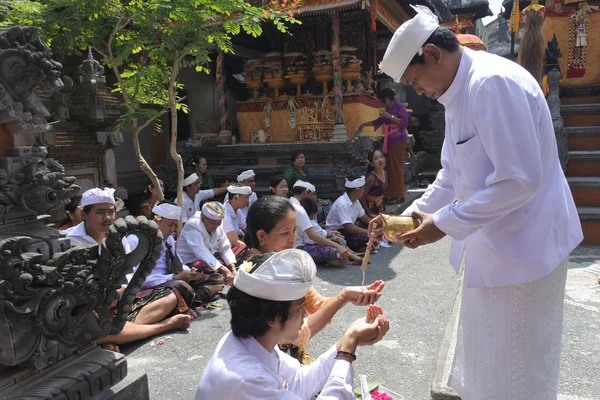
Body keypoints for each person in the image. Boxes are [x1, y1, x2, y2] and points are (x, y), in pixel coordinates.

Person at [372, 5, 583, 400]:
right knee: (488, 363)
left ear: (433, 54)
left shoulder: (491, 84)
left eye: (415, 80)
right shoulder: (457, 92)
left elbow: (520, 180)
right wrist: (409, 217)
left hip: (526, 250)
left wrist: (443, 223)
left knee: (520, 369)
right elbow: (452, 174)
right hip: (495, 249)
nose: (418, 91)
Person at [195, 249, 390, 399]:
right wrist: (347, 349)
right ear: (273, 319)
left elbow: (299, 382)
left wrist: (348, 339)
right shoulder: (248, 377)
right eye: (299, 308)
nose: (305, 313)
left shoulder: (251, 341)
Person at [245, 196, 384, 363]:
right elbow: (290, 336)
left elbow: (317, 304)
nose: (292, 239)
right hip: (260, 361)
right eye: (285, 233)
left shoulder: (285, 262)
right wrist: (343, 299)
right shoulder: (256, 275)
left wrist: (349, 296)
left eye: (294, 230)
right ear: (262, 236)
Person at [68, 188, 192, 350]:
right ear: (84, 215)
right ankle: (164, 325)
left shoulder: (121, 240)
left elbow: (129, 277)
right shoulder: (68, 241)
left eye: (111, 212)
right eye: (100, 212)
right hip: (87, 307)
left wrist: (119, 292)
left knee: (171, 295)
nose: (107, 218)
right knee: (84, 322)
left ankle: (115, 335)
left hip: (117, 302)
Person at [128, 201, 219, 324]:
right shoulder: (136, 241)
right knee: (178, 286)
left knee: (214, 278)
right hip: (150, 290)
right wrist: (173, 277)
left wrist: (189, 272)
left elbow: (178, 263)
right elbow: (135, 280)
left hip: (172, 283)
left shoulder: (168, 239)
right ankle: (183, 303)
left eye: (175, 225)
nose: (173, 230)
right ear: (157, 220)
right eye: (170, 225)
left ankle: (182, 303)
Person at [358, 88, 409, 204]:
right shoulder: (388, 109)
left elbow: (404, 123)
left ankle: (399, 194)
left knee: (396, 167)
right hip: (389, 140)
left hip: (398, 140)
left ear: (386, 99)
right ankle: (391, 194)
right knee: (389, 168)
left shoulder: (399, 107)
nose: (381, 104)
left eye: (382, 101)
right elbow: (379, 121)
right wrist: (364, 124)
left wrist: (389, 116)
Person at [178, 201, 239, 286]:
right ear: (203, 218)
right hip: (189, 262)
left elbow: (225, 248)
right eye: (213, 223)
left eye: (219, 222)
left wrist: (233, 269)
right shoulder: (193, 225)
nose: (216, 225)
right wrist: (225, 270)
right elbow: (201, 252)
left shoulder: (218, 225)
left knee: (236, 261)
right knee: (205, 268)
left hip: (210, 259)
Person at [290, 181, 349, 267]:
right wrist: (337, 246)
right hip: (297, 247)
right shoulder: (299, 209)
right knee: (333, 252)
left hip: (294, 245)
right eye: (312, 195)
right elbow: (312, 235)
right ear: (306, 192)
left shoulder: (288, 203)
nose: (313, 198)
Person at [299, 197, 363, 265]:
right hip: (307, 246)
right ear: (313, 215)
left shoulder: (303, 220)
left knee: (337, 241)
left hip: (314, 242)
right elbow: (318, 235)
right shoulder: (310, 224)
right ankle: (352, 257)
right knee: (332, 248)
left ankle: (352, 255)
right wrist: (330, 235)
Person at [326, 176, 372, 252]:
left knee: (372, 233)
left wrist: (376, 226)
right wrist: (369, 232)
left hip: (347, 231)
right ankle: (356, 248)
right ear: (358, 190)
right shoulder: (342, 203)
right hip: (337, 232)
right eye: (363, 188)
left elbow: (365, 218)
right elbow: (349, 227)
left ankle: (360, 248)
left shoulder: (356, 201)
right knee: (368, 237)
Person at [361, 147, 389, 219]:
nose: (380, 160)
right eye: (376, 159)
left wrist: (385, 210)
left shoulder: (385, 173)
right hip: (370, 211)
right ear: (371, 163)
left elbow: (382, 195)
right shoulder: (371, 178)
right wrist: (369, 214)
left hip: (380, 208)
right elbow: (362, 198)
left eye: (381, 157)